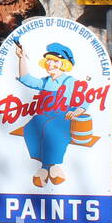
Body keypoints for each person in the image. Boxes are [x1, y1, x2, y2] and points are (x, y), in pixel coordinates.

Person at [14, 40, 82, 188]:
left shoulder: (70, 81)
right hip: (45, 115)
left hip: (63, 117)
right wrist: (22, 58)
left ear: (63, 63)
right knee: (30, 128)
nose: (50, 64)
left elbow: (83, 99)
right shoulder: (45, 82)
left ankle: (47, 168)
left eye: (55, 61)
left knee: (50, 128)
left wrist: (77, 110)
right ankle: (49, 167)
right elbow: (26, 79)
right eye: (48, 61)